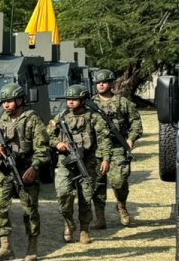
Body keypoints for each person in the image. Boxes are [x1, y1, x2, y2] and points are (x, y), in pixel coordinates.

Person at [0, 82, 49, 261]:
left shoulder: (32, 119)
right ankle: (5, 247)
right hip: (4, 170)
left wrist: (35, 167)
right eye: (3, 102)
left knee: (30, 210)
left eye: (9, 101)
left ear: (19, 100)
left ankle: (32, 246)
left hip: (26, 169)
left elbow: (43, 148)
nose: (5, 105)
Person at [48, 85, 110, 245]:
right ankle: (68, 222)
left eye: (74, 99)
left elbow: (104, 138)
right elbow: (48, 134)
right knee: (63, 193)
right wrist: (57, 144)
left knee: (86, 197)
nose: (70, 102)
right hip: (65, 162)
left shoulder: (93, 117)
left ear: (83, 100)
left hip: (87, 162)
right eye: (68, 100)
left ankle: (84, 229)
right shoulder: (60, 117)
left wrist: (106, 158)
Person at [90, 68, 144, 228]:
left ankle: (121, 206)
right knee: (97, 184)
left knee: (119, 181)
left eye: (104, 82)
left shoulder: (122, 102)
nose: (100, 85)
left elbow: (135, 121)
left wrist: (131, 138)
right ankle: (99, 217)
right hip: (95, 149)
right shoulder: (90, 103)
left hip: (117, 148)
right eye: (98, 82)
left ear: (111, 83)